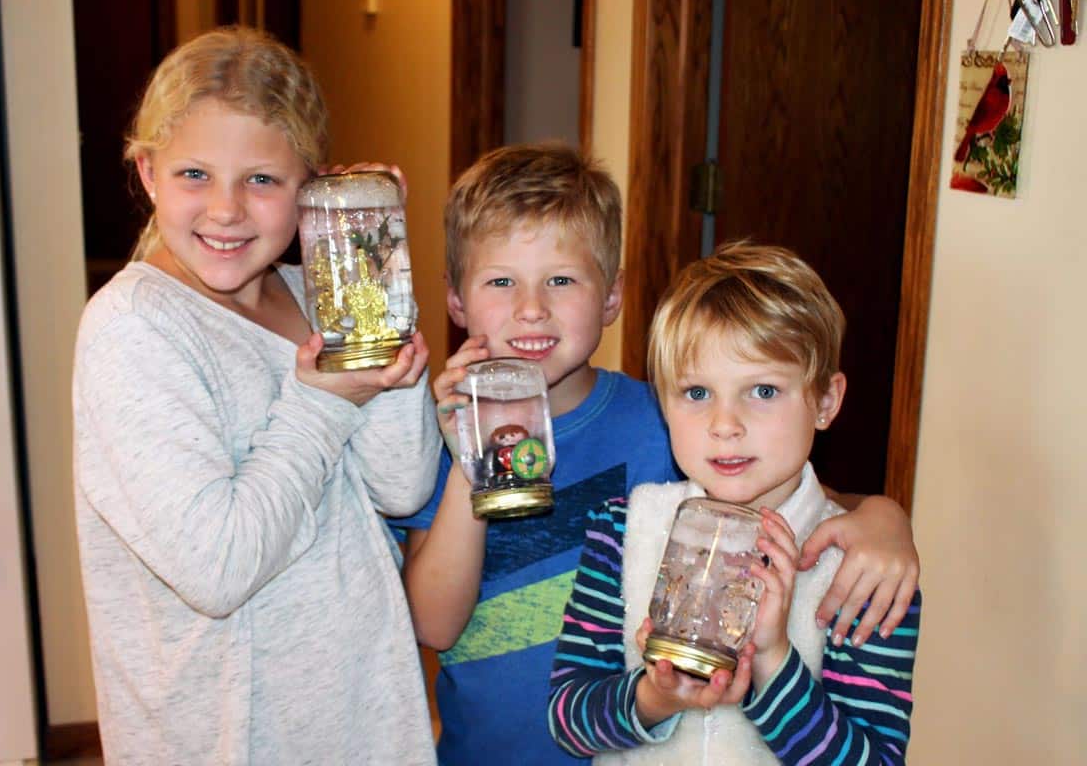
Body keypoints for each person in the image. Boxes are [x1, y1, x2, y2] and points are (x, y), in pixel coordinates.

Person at [391, 144, 920, 765]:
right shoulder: (437, 432)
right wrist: (469, 458)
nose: (531, 307)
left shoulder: (664, 424)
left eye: (560, 279)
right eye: (501, 281)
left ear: (612, 296)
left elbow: (784, 491)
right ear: (455, 300)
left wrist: (886, 518)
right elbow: (433, 626)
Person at [72, 27, 440, 765]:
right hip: (228, 733)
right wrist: (324, 399)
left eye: (263, 180)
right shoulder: (134, 327)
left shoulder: (320, 292)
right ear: (148, 173)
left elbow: (402, 486)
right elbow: (218, 569)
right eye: (194, 175)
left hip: (363, 711)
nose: (227, 209)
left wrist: (375, 277)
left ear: (311, 188)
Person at [548, 242, 921, 764]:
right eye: (697, 393)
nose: (725, 425)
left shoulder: (862, 573)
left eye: (763, 391)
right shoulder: (623, 530)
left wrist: (773, 661)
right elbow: (567, 720)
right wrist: (652, 699)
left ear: (826, 402)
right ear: (663, 404)